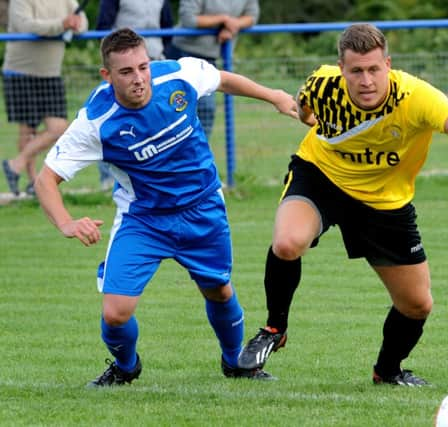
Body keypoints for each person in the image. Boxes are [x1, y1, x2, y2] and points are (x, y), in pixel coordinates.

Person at [34, 28, 298, 387]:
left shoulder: (178, 74)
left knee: (219, 290)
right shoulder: (96, 122)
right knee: (115, 314)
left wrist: (274, 97)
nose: (139, 78)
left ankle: (235, 362)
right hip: (143, 220)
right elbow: (46, 179)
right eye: (126, 72)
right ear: (107, 75)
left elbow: (222, 80)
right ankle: (126, 366)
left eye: (142, 67)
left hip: (202, 206)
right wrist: (65, 222)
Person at [237, 23, 448, 386]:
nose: (366, 80)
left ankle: (387, 371)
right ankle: (274, 328)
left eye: (374, 69)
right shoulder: (323, 82)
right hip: (322, 176)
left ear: (387, 64)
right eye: (356, 71)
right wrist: (312, 121)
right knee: (287, 243)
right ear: (341, 69)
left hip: (384, 201)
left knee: (417, 304)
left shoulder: (413, 97)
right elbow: (305, 109)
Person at [1, 0, 88, 196]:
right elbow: (27, 26)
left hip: (51, 73)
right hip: (20, 72)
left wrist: (76, 24)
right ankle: (34, 183)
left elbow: (82, 22)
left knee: (59, 128)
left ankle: (15, 165)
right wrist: (62, 24)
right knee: (27, 131)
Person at [95, 0, 174, 190]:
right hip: (122, 68)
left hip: (154, 60)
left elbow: (167, 27)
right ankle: (108, 178)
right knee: (116, 125)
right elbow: (103, 27)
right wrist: (119, 63)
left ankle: (161, 176)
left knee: (159, 122)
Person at [167, 0, 260, 140]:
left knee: (206, 111)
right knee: (174, 111)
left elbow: (252, 16)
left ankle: (197, 154)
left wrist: (233, 25)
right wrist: (223, 20)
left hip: (210, 59)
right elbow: (189, 19)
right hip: (181, 53)